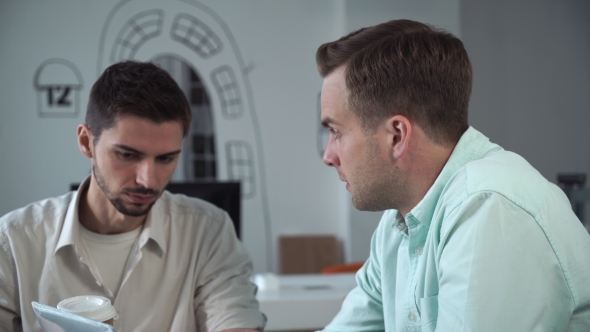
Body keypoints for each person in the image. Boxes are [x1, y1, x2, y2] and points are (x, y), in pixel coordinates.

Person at [316, 19, 590, 331]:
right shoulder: (399, 226)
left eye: (336, 131)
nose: (328, 156)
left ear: (396, 136)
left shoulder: (491, 207)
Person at [0, 61, 266, 331]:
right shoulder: (13, 241)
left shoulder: (208, 231)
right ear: (86, 142)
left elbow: (235, 320)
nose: (148, 180)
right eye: (127, 155)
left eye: (166, 158)